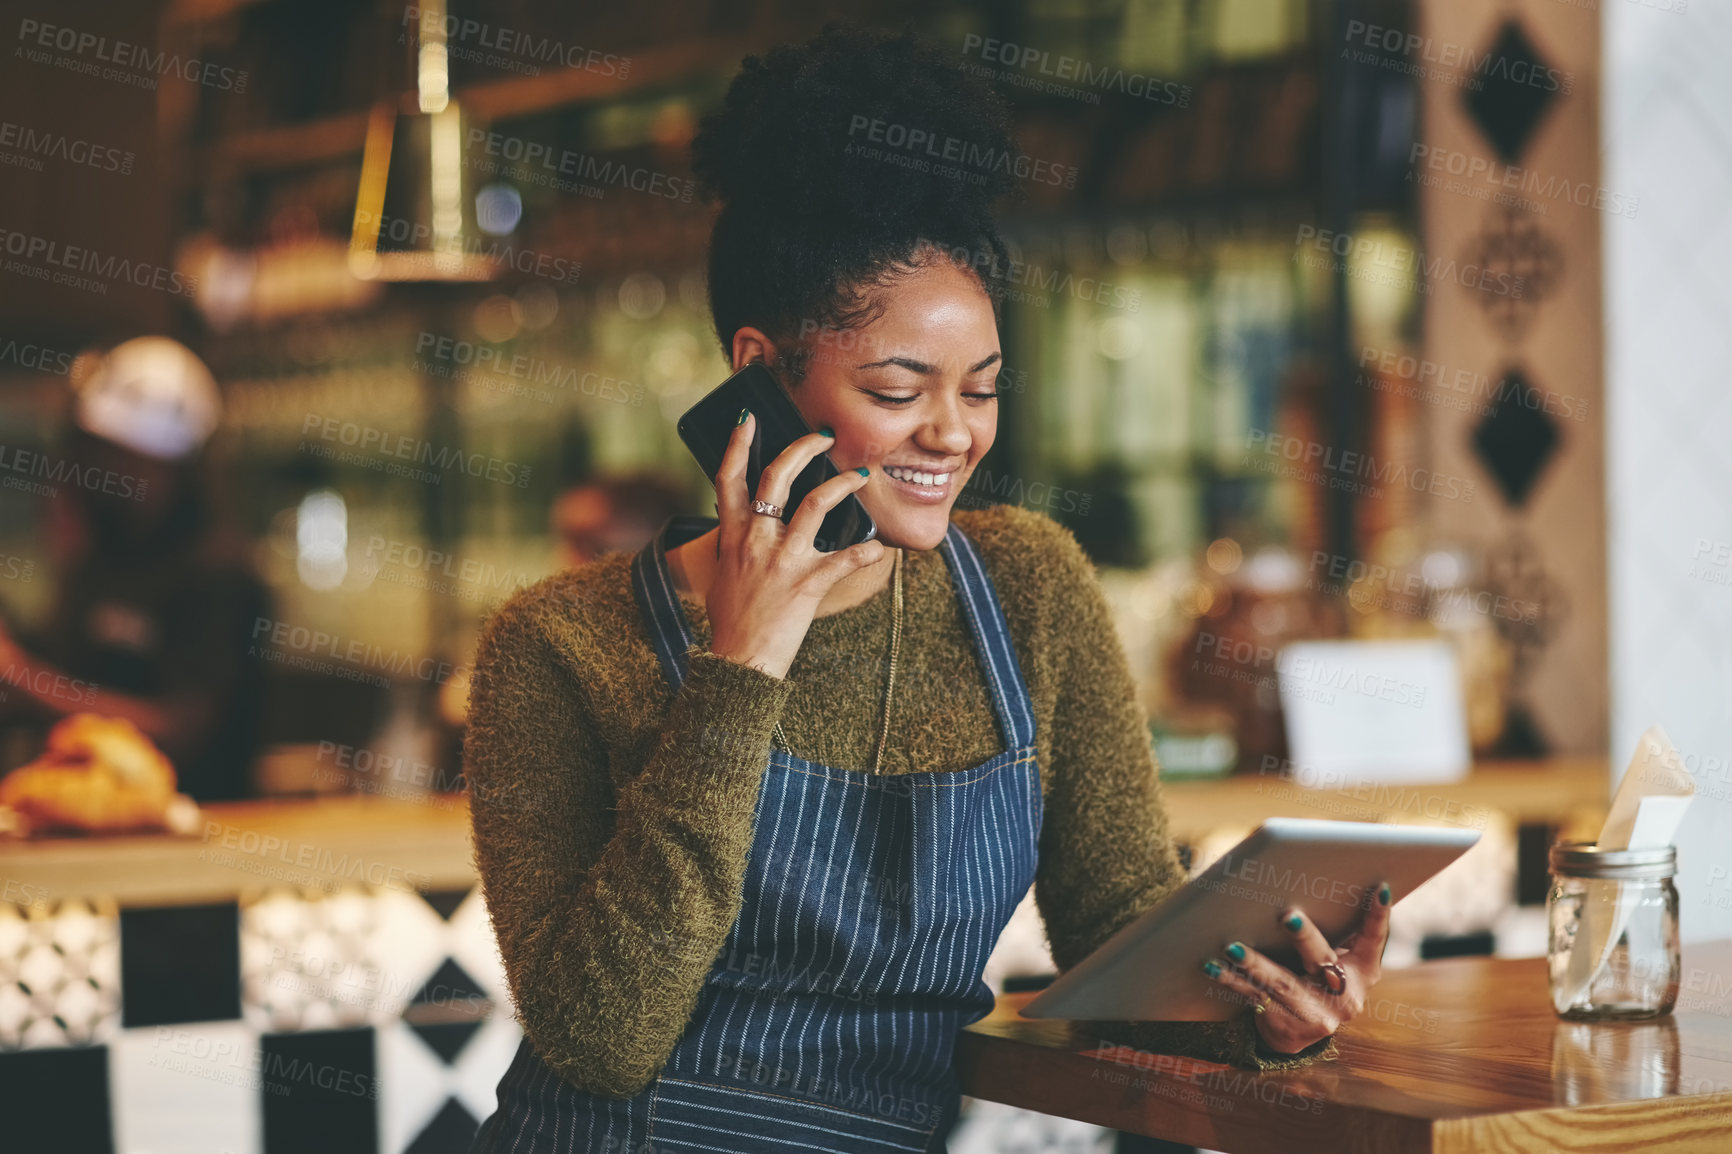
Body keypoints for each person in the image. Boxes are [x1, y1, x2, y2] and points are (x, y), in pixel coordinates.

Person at [462, 24, 1392, 1154]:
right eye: (899, 388)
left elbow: (1122, 939)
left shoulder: (1028, 586)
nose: (952, 433)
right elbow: (605, 1036)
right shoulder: (559, 643)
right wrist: (740, 665)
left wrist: (1265, 1017)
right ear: (760, 369)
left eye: (983, 388)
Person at [0, 337, 270, 802]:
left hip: (197, 841)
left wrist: (21, 678)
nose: (113, 474)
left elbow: (179, 734)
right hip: (88, 825)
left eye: (137, 460)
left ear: (183, 470)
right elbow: (67, 668)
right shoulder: (102, 554)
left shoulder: (218, 573)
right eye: (105, 452)